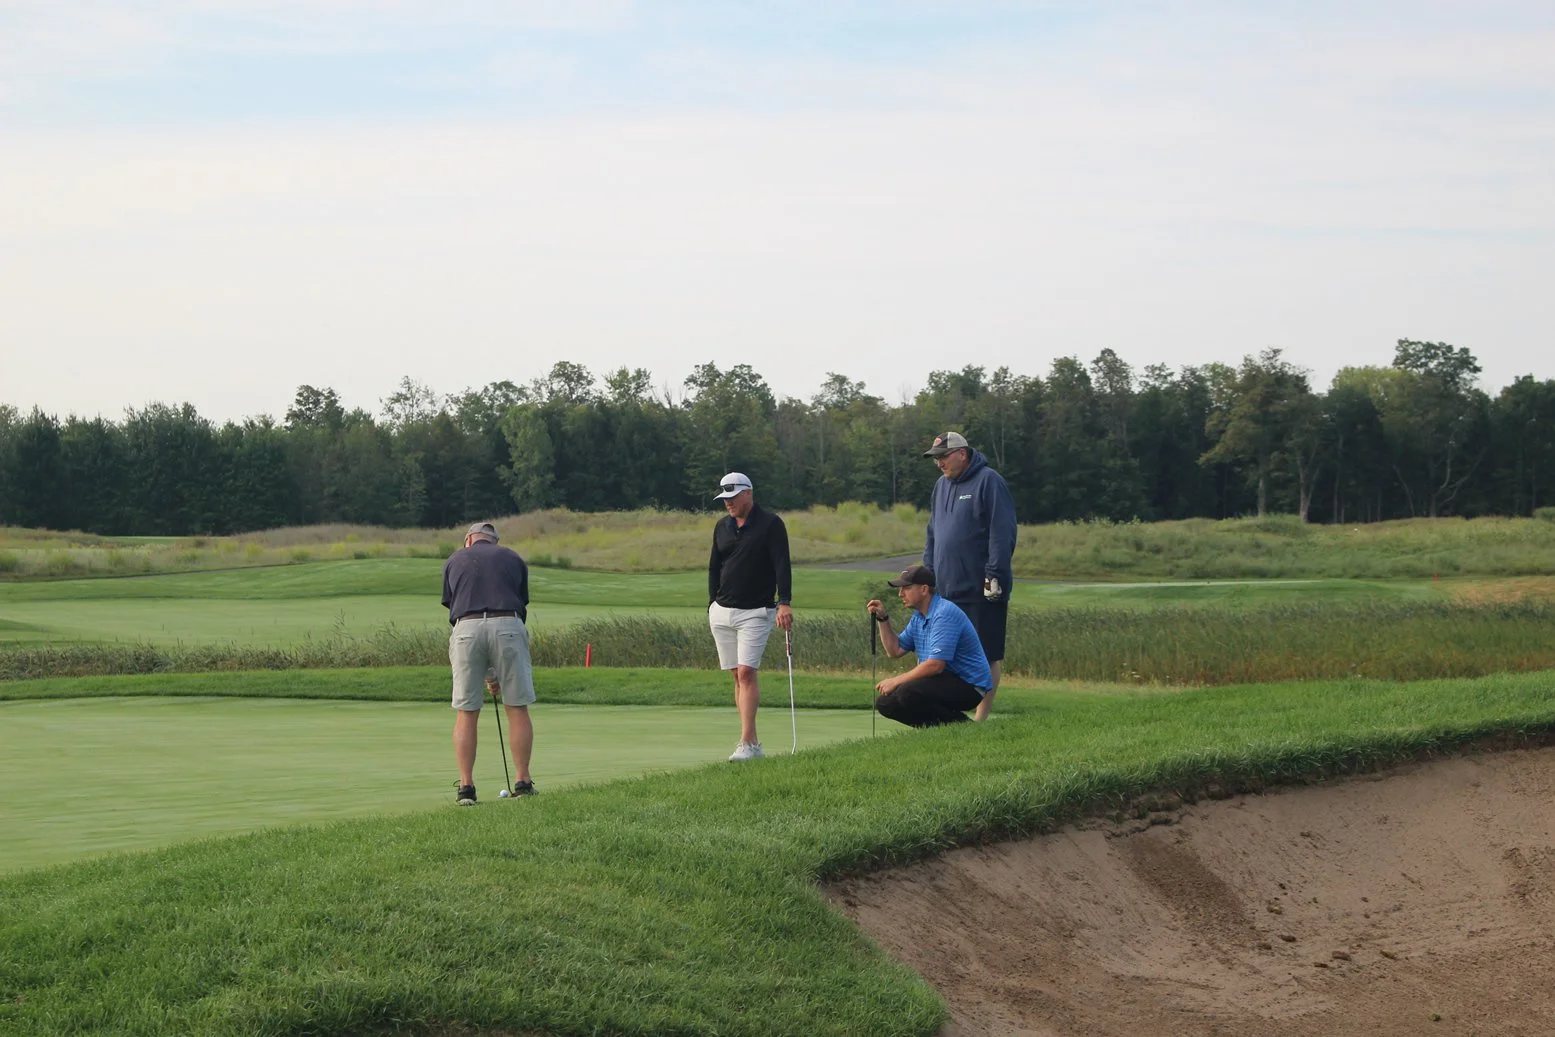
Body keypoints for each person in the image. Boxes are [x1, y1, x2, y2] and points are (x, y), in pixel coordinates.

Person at [922, 430, 1017, 721]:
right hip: (947, 588)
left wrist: (994, 574)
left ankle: (981, 717)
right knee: (947, 654)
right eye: (936, 459)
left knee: (986, 653)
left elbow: (1002, 532)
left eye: (943, 457)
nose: (939, 463)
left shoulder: (989, 481)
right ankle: (951, 713)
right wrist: (928, 574)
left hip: (981, 588)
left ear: (962, 453)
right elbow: (933, 534)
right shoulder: (941, 486)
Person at [441, 521, 536, 805]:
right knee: (516, 707)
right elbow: (520, 601)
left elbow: (454, 604)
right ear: (494, 542)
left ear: (469, 540)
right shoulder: (512, 557)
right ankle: (523, 781)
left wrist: (490, 673)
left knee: (467, 710)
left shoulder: (455, 559)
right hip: (508, 624)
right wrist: (493, 673)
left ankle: (466, 788)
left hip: (466, 628)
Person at [707, 472, 794, 761]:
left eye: (733, 498)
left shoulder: (771, 524)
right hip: (722, 611)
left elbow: (781, 564)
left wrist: (785, 602)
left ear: (748, 494)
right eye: (725, 499)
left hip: (756, 612)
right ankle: (752, 743)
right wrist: (711, 604)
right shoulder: (722, 527)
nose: (728, 503)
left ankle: (746, 742)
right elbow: (714, 567)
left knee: (746, 672)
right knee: (736, 675)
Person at [866, 565, 992, 727]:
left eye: (907, 588)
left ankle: (965, 728)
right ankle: (942, 730)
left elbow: (935, 666)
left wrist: (895, 681)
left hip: (970, 685)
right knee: (886, 703)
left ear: (924, 589)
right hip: (946, 680)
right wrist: (883, 619)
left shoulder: (943, 614)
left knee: (907, 692)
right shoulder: (919, 617)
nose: (900, 593)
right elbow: (895, 650)